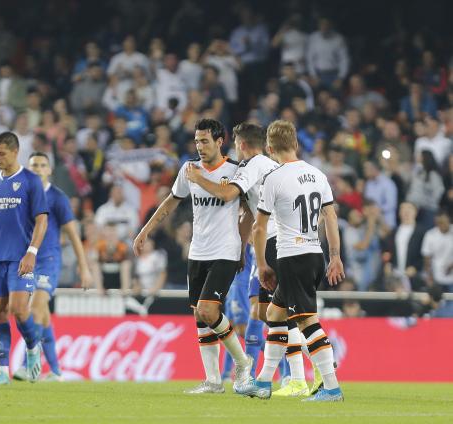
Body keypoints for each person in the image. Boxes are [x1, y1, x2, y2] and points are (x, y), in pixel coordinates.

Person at [185, 122, 314, 396]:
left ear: (241, 145)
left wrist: (198, 179)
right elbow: (246, 211)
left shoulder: (252, 165)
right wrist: (243, 247)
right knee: (263, 311)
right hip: (277, 242)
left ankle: (306, 366)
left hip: (275, 242)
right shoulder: (269, 165)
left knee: (280, 313)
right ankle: (305, 362)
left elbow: (228, 194)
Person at [133, 118, 253, 394]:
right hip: (198, 250)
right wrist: (145, 231)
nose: (199, 146)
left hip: (226, 250)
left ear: (220, 142)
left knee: (210, 310)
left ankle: (242, 361)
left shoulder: (235, 170)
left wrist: (244, 245)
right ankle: (213, 380)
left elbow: (237, 203)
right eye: (197, 141)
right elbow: (171, 202)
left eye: (205, 141)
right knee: (200, 316)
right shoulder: (189, 170)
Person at [236, 120, 345, 402]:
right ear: (295, 144)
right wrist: (335, 257)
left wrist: (261, 264)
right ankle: (262, 382)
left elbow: (259, 228)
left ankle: (331, 387)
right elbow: (330, 216)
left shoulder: (274, 177)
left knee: (307, 321)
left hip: (291, 256)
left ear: (270, 149)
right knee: (274, 314)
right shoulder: (317, 174)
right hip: (314, 255)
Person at [7, 152, 94, 383]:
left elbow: (73, 234)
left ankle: (28, 365)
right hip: (26, 261)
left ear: (49, 170)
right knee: (43, 318)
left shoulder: (57, 197)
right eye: (34, 165)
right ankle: (55, 372)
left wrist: (84, 267)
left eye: (42, 165)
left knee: (35, 308)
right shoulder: (20, 195)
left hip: (48, 261)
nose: (37, 169)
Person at [0, 132, 49, 385]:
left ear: (15, 152)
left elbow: (42, 219)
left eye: (1, 153)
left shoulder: (31, 181)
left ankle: (32, 347)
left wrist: (32, 252)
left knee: (19, 310)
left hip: (21, 258)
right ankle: (3, 372)